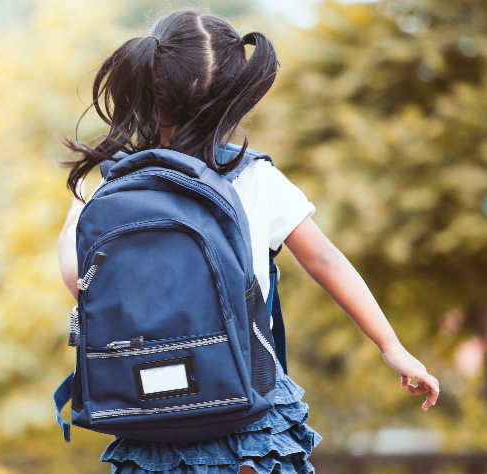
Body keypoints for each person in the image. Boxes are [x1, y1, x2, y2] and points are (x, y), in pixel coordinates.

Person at [56, 9, 440, 474]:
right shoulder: (254, 176)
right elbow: (324, 259)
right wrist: (390, 345)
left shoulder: (115, 184)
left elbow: (80, 281)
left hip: (146, 415)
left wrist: (86, 201)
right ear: (234, 100)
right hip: (246, 410)